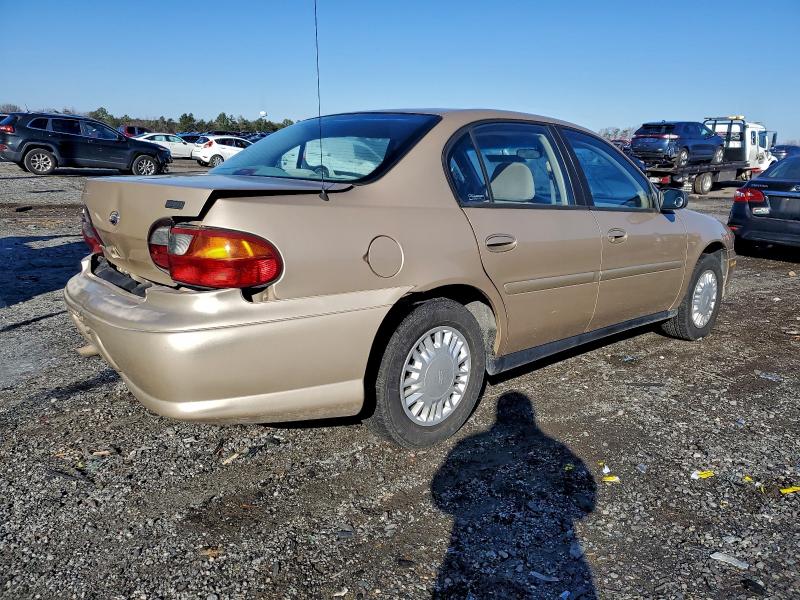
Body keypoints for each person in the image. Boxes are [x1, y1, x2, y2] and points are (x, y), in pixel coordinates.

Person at [431, 392, 597, 599]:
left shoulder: (469, 444)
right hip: (539, 543)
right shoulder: (553, 448)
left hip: (474, 541)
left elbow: (440, 491)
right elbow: (586, 498)